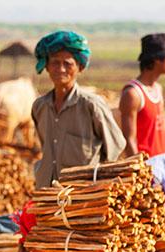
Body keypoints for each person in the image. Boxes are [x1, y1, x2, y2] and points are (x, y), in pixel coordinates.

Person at [31, 30, 125, 188]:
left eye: (67, 64)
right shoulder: (40, 107)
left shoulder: (91, 105)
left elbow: (115, 148)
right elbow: (45, 147)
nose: (61, 69)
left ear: (80, 67)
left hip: (82, 198)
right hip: (47, 194)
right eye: (55, 62)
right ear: (46, 66)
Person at [120, 34, 165, 158]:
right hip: (146, 167)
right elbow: (129, 140)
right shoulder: (133, 94)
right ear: (157, 60)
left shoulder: (158, 89)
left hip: (162, 164)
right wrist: (140, 171)